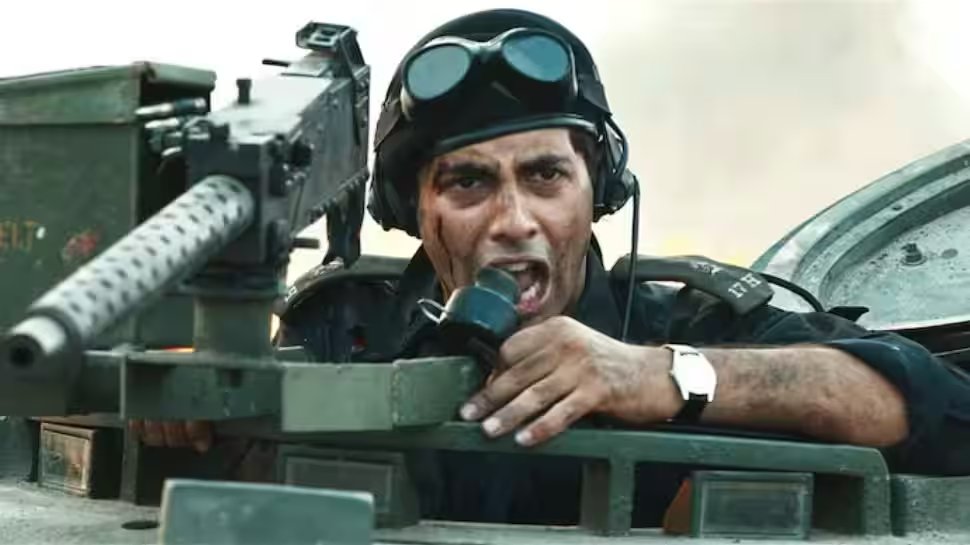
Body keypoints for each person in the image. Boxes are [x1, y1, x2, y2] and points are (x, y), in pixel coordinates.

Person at [136, 8, 970, 526]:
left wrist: (662, 376)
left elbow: (938, 406)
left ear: (598, 190)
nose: (513, 220)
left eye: (544, 176)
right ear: (412, 210)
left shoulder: (689, 323)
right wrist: (186, 395)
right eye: (467, 183)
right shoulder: (344, 326)